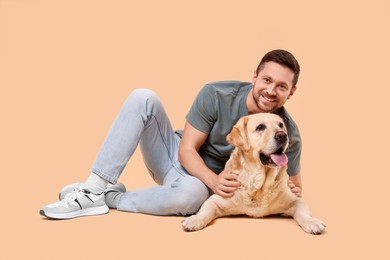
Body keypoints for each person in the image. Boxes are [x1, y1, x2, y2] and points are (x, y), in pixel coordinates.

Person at [40, 49, 303, 219]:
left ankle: (110, 197)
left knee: (192, 198)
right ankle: (94, 188)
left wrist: (290, 187)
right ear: (254, 77)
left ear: (291, 92)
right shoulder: (216, 94)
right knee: (144, 97)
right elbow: (186, 150)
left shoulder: (286, 133)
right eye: (266, 80)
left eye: (281, 86)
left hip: (197, 187)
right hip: (172, 157)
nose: (271, 91)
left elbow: (295, 188)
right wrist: (213, 181)